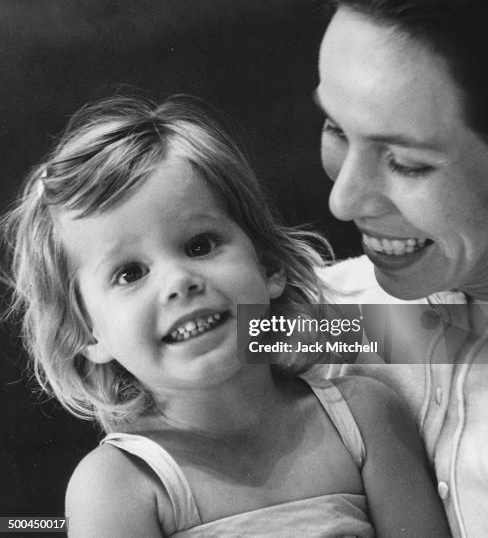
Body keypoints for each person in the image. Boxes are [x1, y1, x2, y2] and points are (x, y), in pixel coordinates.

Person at [2, 95, 449, 537]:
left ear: (269, 266)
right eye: (129, 273)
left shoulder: (365, 412)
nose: (179, 280)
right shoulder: (118, 486)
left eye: (200, 245)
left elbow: (451, 335)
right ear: (86, 333)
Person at [309, 0, 488, 537]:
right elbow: (259, 329)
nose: (342, 199)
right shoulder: (337, 318)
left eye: (405, 162)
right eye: (335, 128)